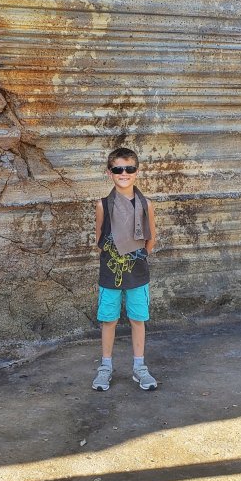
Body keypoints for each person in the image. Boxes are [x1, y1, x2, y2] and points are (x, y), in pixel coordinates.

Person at [92, 147, 157, 392]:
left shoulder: (146, 204)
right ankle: (105, 367)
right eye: (118, 169)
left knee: (137, 319)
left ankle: (139, 367)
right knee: (108, 320)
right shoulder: (102, 205)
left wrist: (137, 256)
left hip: (137, 272)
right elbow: (99, 238)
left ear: (136, 172)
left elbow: (151, 237)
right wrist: (116, 255)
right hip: (110, 273)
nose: (124, 173)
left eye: (129, 168)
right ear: (109, 173)